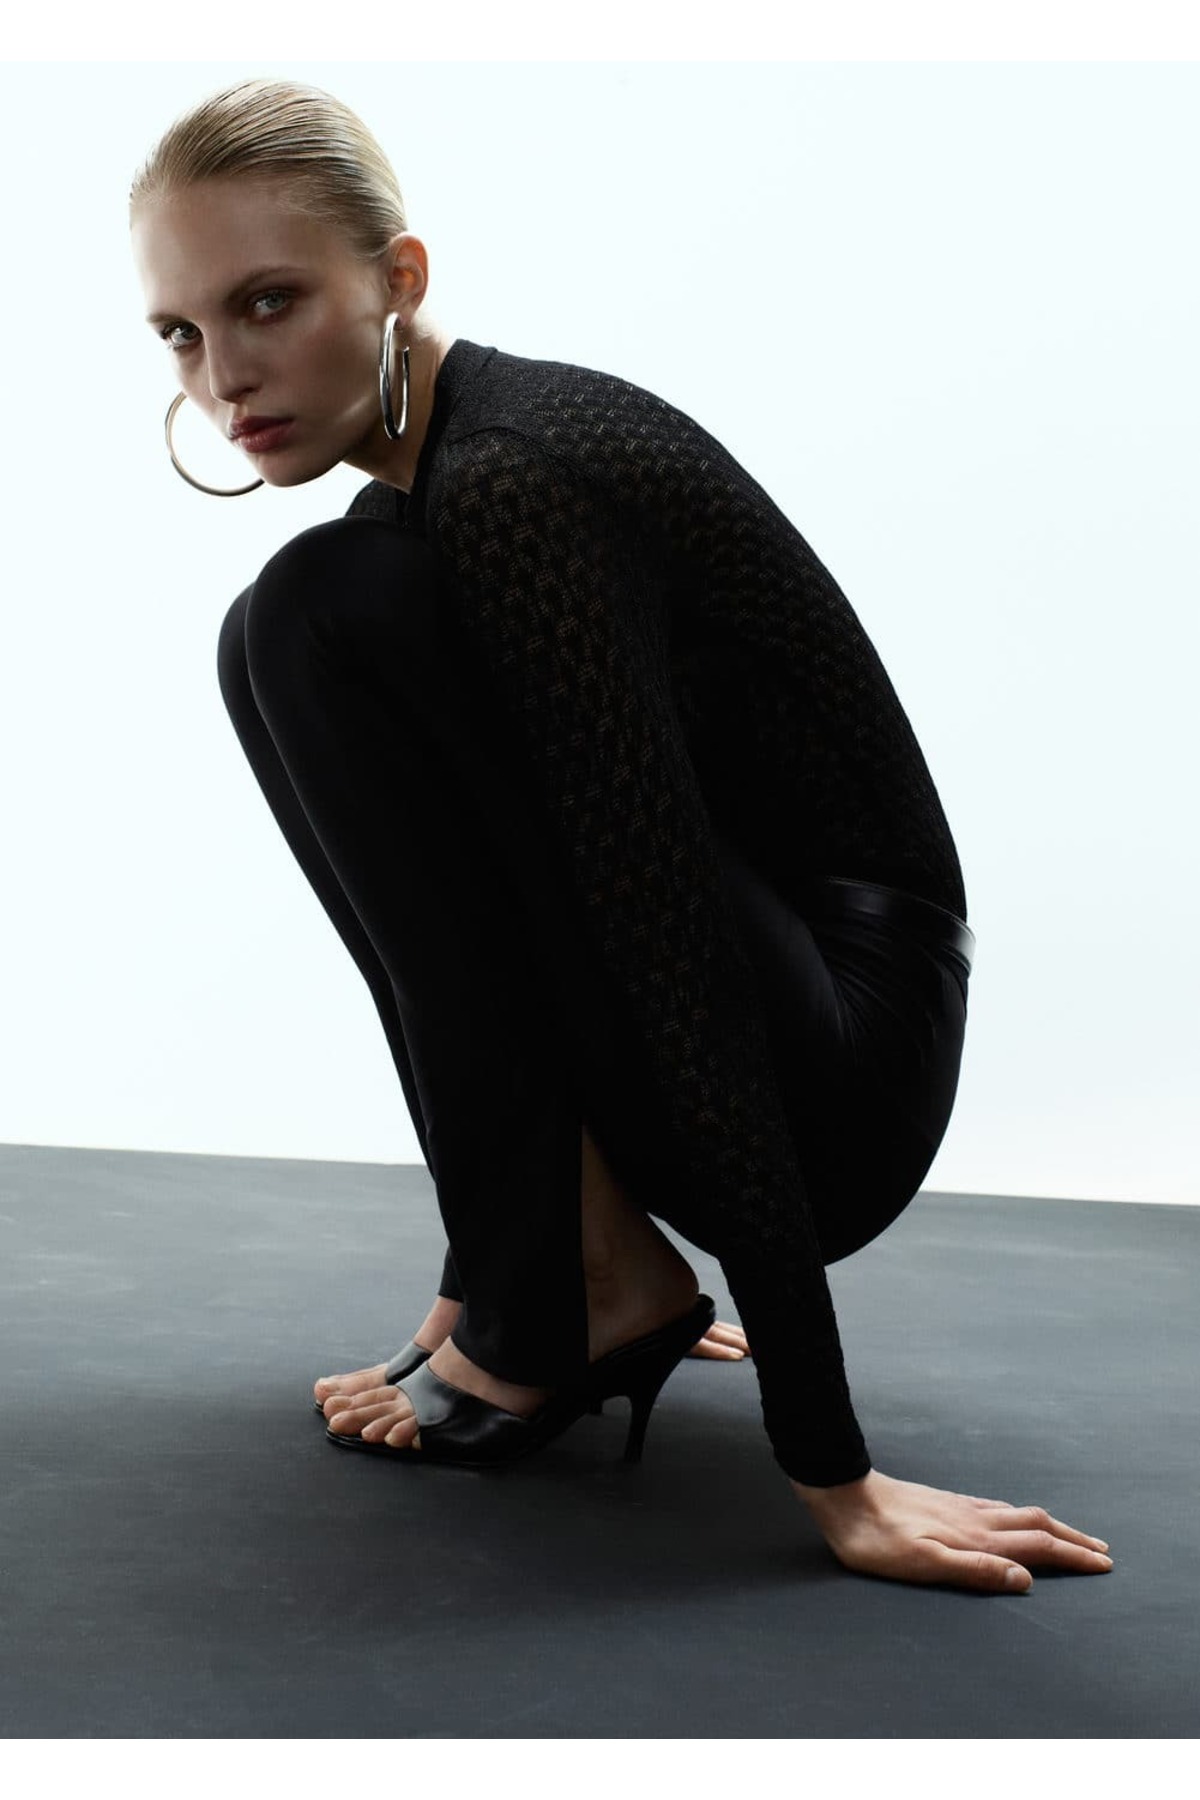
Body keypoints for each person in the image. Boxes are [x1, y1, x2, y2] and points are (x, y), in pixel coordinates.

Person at [128, 77, 1113, 1595]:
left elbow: (670, 948)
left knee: (319, 610)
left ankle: (579, 1288)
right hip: (744, 1014)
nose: (226, 375)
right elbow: (451, 933)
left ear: (398, 280)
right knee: (280, 626)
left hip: (838, 1067)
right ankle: (546, 1271)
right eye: (182, 333)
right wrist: (484, 1266)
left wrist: (829, 1464)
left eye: (269, 302)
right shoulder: (422, 500)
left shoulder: (514, 480)